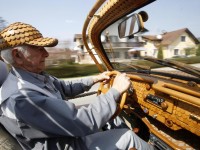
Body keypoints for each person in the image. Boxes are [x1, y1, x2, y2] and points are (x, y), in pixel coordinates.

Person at [0, 22, 154, 150]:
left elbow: (63, 87)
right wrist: (115, 91)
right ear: (18, 56)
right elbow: (82, 122)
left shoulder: (34, 77)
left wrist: (95, 79)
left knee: (109, 119)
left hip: (67, 135)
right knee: (129, 138)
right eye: (40, 49)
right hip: (69, 144)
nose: (46, 54)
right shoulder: (22, 100)